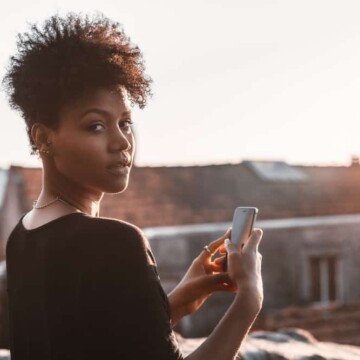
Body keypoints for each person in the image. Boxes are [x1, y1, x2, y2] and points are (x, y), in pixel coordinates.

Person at [2, 12, 263, 360]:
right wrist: (250, 298)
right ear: (44, 138)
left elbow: (86, 341)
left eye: (125, 122)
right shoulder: (116, 243)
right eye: (96, 126)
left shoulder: (21, 238)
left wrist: (176, 302)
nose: (122, 142)